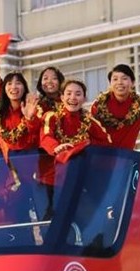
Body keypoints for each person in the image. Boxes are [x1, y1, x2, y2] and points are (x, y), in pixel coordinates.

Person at [38, 79, 111, 220]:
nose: (73, 98)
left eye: (78, 94)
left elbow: (106, 141)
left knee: (87, 219)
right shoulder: (51, 116)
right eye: (69, 93)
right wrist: (56, 147)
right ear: (62, 97)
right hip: (52, 181)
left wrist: (84, 145)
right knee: (53, 222)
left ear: (84, 99)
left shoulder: (89, 121)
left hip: (81, 178)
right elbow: (45, 137)